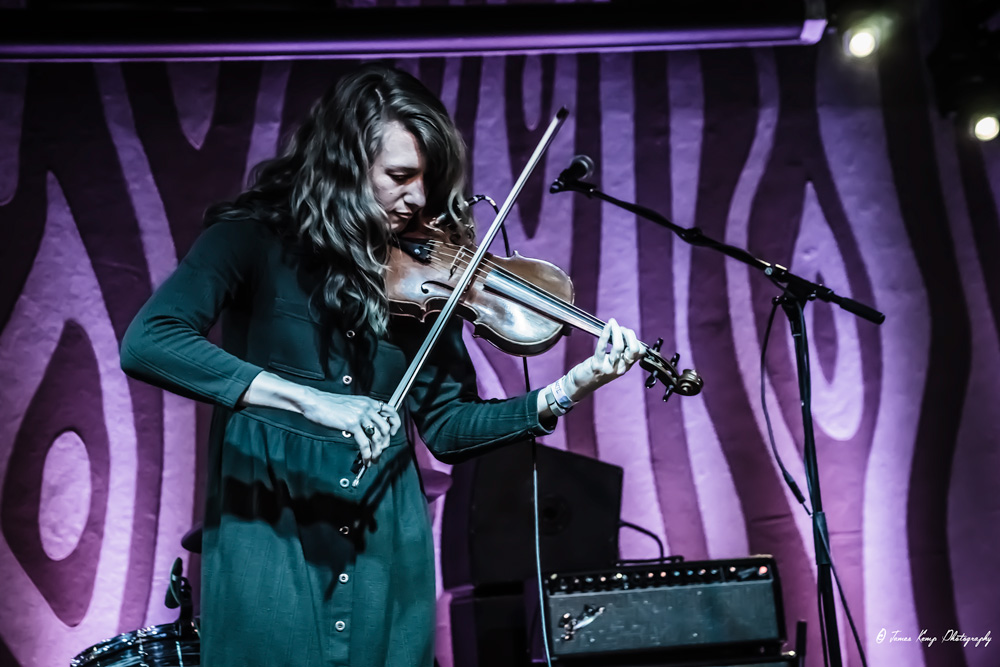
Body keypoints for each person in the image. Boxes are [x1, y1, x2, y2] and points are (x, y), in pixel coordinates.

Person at [120, 63, 643, 667]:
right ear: (343, 164)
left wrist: (568, 389)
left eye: (428, 180)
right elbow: (150, 341)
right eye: (399, 176)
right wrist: (311, 400)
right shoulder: (251, 239)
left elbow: (447, 427)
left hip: (384, 540)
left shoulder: (422, 279)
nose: (418, 198)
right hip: (272, 530)